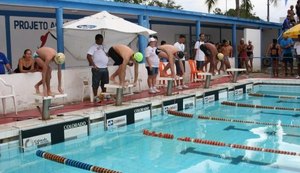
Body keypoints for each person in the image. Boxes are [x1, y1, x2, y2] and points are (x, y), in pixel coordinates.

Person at [87, 34, 109, 102]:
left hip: (105, 68)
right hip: (97, 68)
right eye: (100, 40)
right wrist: (94, 65)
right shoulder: (93, 47)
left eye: (102, 40)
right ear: (96, 40)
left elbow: (107, 54)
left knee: (105, 83)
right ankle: (96, 97)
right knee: (96, 83)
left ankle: (104, 95)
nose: (101, 41)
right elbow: (88, 56)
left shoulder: (104, 46)